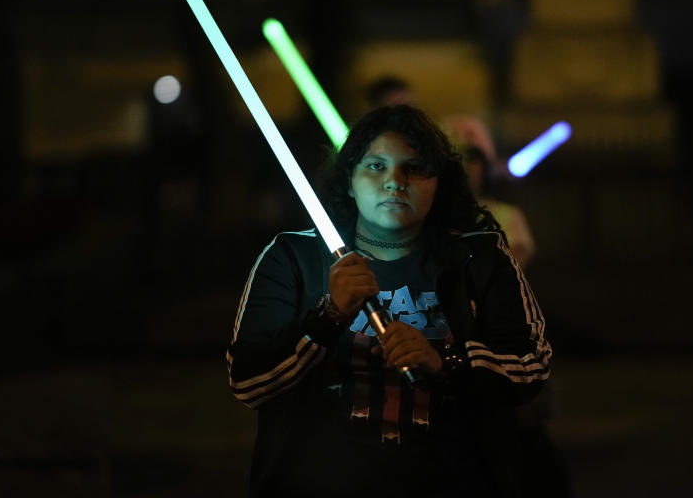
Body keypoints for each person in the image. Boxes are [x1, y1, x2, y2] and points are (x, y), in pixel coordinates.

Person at [226, 104, 552, 496]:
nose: (395, 182)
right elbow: (249, 382)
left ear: (438, 183)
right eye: (376, 166)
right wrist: (329, 316)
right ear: (350, 180)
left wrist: (445, 361)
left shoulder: (479, 259)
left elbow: (531, 366)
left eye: (413, 168)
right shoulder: (293, 258)